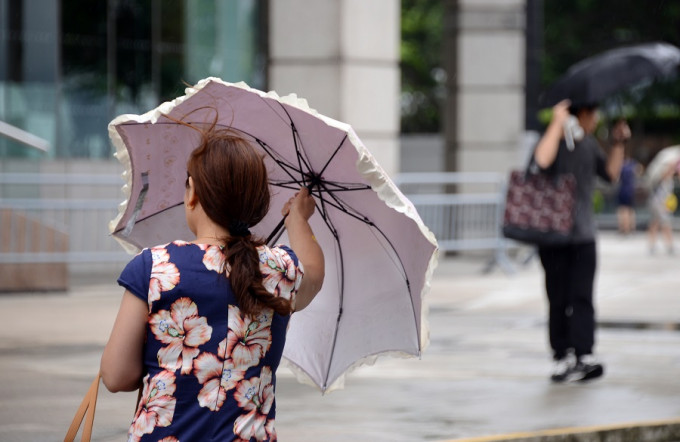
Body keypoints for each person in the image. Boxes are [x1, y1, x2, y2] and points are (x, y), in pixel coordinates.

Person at [100, 123, 325, 441]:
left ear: (192, 193)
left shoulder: (155, 268)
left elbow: (116, 376)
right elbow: (314, 273)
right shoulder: (279, 271)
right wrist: (298, 220)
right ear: (257, 204)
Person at [532, 99, 629, 383]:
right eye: (594, 114)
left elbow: (610, 174)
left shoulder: (587, 144)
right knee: (558, 298)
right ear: (582, 113)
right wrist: (555, 123)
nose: (596, 120)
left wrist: (619, 143)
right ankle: (562, 356)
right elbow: (541, 161)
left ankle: (584, 355)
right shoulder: (552, 141)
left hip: (584, 235)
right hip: (553, 236)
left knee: (583, 297)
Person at [647, 160, 678, 255]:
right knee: (665, 224)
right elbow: (664, 175)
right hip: (659, 204)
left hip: (662, 204)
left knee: (655, 223)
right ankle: (669, 245)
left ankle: (652, 245)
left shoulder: (670, 179)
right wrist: (671, 165)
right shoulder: (662, 178)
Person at [616, 151, 640, 235]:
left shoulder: (621, 166)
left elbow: (615, 177)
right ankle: (631, 227)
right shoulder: (632, 165)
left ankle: (624, 228)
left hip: (623, 189)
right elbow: (639, 170)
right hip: (631, 189)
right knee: (630, 209)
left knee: (623, 209)